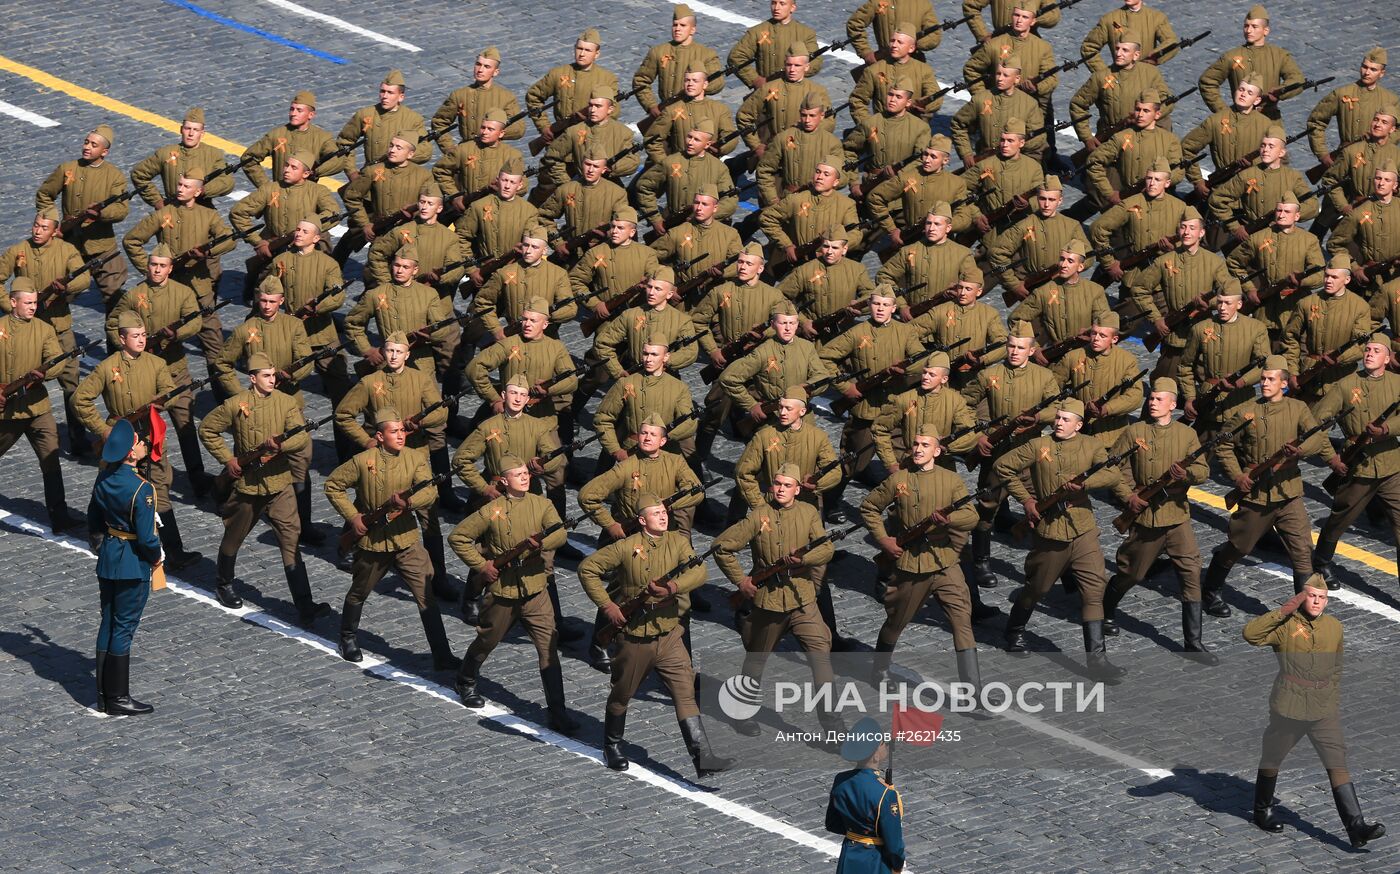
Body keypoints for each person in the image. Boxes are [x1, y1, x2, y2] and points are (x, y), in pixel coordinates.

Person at [578, 493, 733, 777]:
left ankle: (703, 757)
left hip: (670, 634)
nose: (663, 516)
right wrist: (608, 607)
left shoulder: (677, 541)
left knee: (685, 693)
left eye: (664, 512)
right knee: (622, 693)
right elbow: (587, 569)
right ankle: (612, 746)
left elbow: (700, 572)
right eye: (656, 513)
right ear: (642, 520)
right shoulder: (626, 547)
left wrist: (672, 588)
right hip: (636, 637)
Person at [1244, 580, 1386, 848]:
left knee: (1337, 762)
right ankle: (1262, 811)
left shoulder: (1334, 627)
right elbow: (1250, 635)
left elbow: (1337, 667)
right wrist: (1283, 611)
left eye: (1322, 597)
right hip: (1290, 707)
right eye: (1311, 596)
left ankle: (1357, 827)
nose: (1317, 601)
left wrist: (1331, 697)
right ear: (1301, 598)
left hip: (1323, 708)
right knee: (1273, 757)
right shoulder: (1285, 625)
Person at [994, 399, 1124, 680]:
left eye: (1066, 420)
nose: (1059, 423)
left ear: (1079, 424)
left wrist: (1085, 485)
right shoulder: (1039, 446)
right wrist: (1027, 500)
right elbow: (1003, 466)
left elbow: (1112, 473)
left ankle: (1097, 662)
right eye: (1057, 418)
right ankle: (1014, 631)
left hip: (1083, 529)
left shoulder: (1092, 445)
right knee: (1037, 588)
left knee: (1093, 591)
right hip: (1050, 532)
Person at [449, 455, 577, 734]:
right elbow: (458, 537)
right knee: (487, 640)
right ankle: (465, 678)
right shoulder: (492, 510)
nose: (524, 477)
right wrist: (482, 566)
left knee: (548, 649)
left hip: (535, 590)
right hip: (504, 592)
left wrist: (537, 544)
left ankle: (558, 712)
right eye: (517, 474)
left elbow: (559, 535)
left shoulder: (541, 504)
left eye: (525, 473)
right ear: (504, 481)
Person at [199, 353, 330, 625]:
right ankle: (224, 583)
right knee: (234, 536)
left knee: (291, 542)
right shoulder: (237, 404)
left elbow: (301, 436)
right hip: (248, 486)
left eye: (273, 375)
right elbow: (208, 429)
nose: (272, 380)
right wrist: (228, 460)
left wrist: (280, 446)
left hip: (280, 485)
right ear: (252, 379)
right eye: (266, 376)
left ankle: (305, 605)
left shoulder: (286, 402)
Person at [324, 408, 459, 670]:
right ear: (380, 435)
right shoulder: (363, 461)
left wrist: (408, 503)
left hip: (406, 541)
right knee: (359, 591)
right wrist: (354, 518)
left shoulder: (415, 458)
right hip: (373, 543)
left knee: (426, 594)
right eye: (394, 431)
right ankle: (347, 637)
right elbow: (333, 486)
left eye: (402, 430)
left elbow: (429, 492)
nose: (401, 435)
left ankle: (442, 654)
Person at [715, 463, 839, 738]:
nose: (781, 489)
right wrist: (741, 582)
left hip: (802, 600)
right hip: (769, 602)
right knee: (756, 661)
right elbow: (722, 547)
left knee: (822, 660)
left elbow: (826, 548)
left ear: (797, 489)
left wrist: (804, 560)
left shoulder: (808, 513)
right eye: (777, 484)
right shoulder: (759, 516)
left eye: (787, 485)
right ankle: (742, 711)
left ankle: (833, 726)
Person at [1205, 356, 1335, 614]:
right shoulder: (1247, 412)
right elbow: (1223, 444)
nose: (1264, 383)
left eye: (1270, 379)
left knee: (1302, 552)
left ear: (1284, 384)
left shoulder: (1297, 408)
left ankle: (1305, 610)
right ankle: (1210, 590)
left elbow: (1317, 438)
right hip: (1256, 495)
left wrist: (1298, 451)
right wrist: (1237, 476)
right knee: (1237, 547)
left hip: (1288, 493)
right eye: (1263, 379)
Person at [861, 425, 983, 689]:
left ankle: (973, 691)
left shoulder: (951, 480)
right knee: (896, 622)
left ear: (937, 451)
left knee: (962, 622)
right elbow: (869, 507)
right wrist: (884, 540)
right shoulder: (899, 480)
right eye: (915, 444)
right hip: (911, 565)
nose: (918, 449)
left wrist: (948, 519)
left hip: (944, 562)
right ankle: (879, 671)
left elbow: (972, 516)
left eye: (925, 445)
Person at [74, 311, 199, 570]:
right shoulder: (107, 367)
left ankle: (173, 551)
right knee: (107, 483)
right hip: (119, 435)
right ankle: (96, 532)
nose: (141, 340)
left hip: (149, 435)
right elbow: (80, 399)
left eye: (143, 335)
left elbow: (169, 391)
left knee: (160, 490)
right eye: (135, 336)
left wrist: (163, 400)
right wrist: (103, 430)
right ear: (122, 338)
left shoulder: (156, 363)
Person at [1105, 378, 1218, 662]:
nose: (1152, 403)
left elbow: (1203, 471)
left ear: (1173, 404)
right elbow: (1113, 466)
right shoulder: (1135, 431)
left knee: (1191, 573)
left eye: (1158, 399)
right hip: (1146, 519)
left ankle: (1193, 643)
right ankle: (1104, 612)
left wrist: (1187, 476)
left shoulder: (1185, 435)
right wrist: (1128, 495)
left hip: (1177, 517)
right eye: (1151, 399)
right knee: (1132, 573)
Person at [0, 208, 92, 457]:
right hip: (24, 330)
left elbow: (83, 279)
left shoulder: (66, 251)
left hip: (58, 327)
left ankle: (77, 436)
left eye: (44, 227)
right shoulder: (19, 250)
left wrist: (64, 289)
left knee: (71, 383)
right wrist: (11, 306)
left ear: (55, 231)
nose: (37, 231)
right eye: (35, 225)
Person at [1311, 335, 1400, 589]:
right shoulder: (1345, 385)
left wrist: (1386, 429)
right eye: (1368, 350)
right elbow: (1315, 424)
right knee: (1339, 518)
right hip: (1357, 465)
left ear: (1387, 358)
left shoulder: (1397, 383)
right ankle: (1321, 563)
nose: (1370, 354)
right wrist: (1332, 458)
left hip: (1391, 465)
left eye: (1376, 351)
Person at [87, 418, 161, 716]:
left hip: (109, 556)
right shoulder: (141, 489)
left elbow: (94, 518)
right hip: (132, 561)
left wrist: (101, 544)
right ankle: (118, 697)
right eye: (141, 442)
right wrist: (156, 556)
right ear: (131, 453)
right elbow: (146, 537)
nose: (145, 445)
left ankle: (104, 694)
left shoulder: (103, 478)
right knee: (124, 627)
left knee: (108, 620)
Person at [0, 278, 79, 532]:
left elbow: (56, 361)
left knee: (51, 460)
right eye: (28, 303)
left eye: (35, 302)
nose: (33, 307)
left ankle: (60, 517)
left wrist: (44, 373)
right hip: (7, 412)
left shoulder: (44, 329)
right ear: (13, 302)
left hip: (37, 409)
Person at [36, 125, 129, 310]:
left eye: (94, 145)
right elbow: (44, 195)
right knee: (56, 297)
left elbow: (121, 209)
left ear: (105, 152)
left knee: (115, 299)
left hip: (102, 247)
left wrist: (101, 214)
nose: (87, 147)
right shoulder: (68, 169)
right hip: (70, 245)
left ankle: (118, 338)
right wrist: (54, 224)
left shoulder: (114, 176)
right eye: (86, 142)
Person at [825, 716, 905, 874]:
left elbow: (832, 823)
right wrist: (897, 865)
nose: (886, 745)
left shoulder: (840, 780)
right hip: (875, 861)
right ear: (875, 755)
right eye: (882, 743)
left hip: (848, 856)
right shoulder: (885, 793)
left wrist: (857, 831)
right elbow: (894, 843)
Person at [1198, 5, 1303, 120]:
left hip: (1271, 121)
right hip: (1240, 121)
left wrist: (1280, 92)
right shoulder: (1231, 56)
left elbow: (1297, 79)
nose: (1249, 30)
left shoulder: (1279, 55)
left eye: (1254, 26)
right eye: (1246, 26)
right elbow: (1207, 81)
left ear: (1266, 31)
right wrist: (1223, 111)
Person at [428, 47, 527, 149]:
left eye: (487, 66)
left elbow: (518, 129)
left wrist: (491, 134)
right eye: (478, 64)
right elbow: (439, 122)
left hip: (494, 151)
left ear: (496, 72)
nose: (480, 70)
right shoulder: (459, 95)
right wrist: (451, 150)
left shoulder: (506, 97)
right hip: (467, 152)